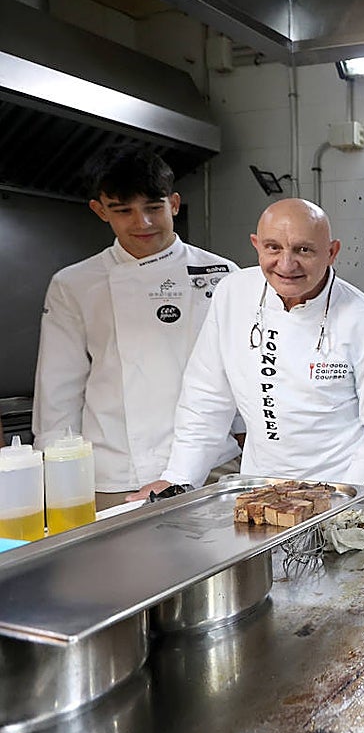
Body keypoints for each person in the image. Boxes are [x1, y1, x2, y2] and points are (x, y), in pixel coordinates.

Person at [134, 199, 364, 500]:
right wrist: (178, 477)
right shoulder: (233, 294)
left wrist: (343, 499)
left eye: (303, 250)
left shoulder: (361, 318)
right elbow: (207, 397)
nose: (286, 264)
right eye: (273, 248)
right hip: (260, 491)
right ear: (256, 245)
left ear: (332, 252)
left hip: (339, 489)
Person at [33, 147, 240, 510]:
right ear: (100, 210)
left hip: (213, 466)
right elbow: (58, 392)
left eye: (153, 207)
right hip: (114, 473)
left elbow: (242, 375)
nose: (142, 223)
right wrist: (59, 484)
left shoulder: (222, 275)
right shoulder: (75, 284)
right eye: (123, 210)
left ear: (174, 204)